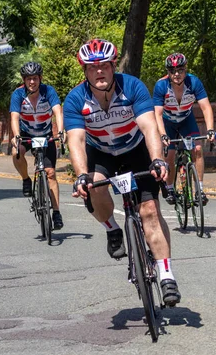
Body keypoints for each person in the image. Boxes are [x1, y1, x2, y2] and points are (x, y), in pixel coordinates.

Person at [63, 39, 181, 307]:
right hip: (101, 153)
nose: (100, 71)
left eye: (105, 65)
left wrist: (158, 160)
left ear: (113, 65)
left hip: (135, 150)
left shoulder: (133, 87)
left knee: (150, 211)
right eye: (93, 68)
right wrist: (81, 174)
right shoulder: (75, 99)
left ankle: (166, 275)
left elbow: (149, 127)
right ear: (85, 71)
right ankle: (112, 228)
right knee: (94, 185)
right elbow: (76, 140)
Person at [153, 53, 216, 206]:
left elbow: (206, 108)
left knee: (198, 149)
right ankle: (170, 188)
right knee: (170, 154)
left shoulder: (193, 82)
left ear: (185, 69)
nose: (177, 74)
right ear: (168, 72)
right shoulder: (161, 86)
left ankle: (199, 190)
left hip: (187, 120)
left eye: (180, 70)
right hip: (168, 122)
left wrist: (210, 130)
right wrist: (162, 135)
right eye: (172, 71)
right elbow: (158, 114)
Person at [10, 61, 65, 230]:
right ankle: (26, 179)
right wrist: (16, 136)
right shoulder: (18, 94)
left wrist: (61, 132)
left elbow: (58, 112)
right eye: (28, 79)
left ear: (40, 78)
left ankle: (56, 212)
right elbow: (14, 117)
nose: (32, 82)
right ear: (24, 80)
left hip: (45, 135)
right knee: (15, 151)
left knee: (50, 173)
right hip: (26, 133)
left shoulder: (48, 91)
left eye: (34, 78)